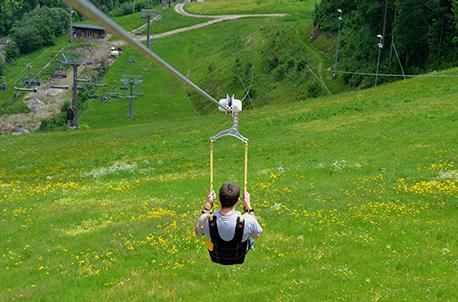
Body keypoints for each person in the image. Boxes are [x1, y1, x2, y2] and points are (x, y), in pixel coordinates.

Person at [195, 182, 263, 265]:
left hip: (216, 255)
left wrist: (207, 205)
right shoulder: (248, 219)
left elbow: (198, 233)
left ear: (219, 198)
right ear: (238, 200)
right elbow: (257, 235)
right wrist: (248, 206)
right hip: (238, 256)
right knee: (251, 231)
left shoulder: (206, 219)